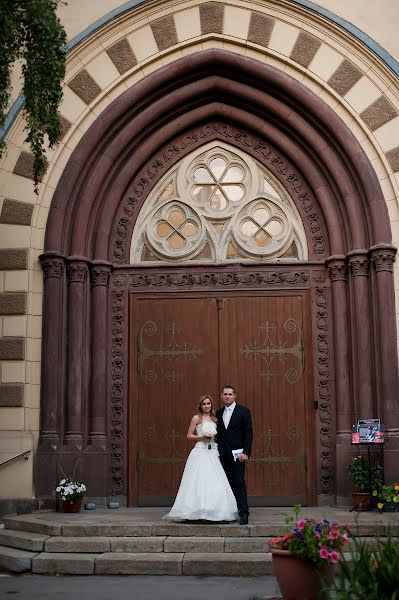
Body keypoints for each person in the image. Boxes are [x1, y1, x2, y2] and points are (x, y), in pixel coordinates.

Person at [162, 395, 238, 522]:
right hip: (200, 452)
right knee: (197, 481)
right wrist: (201, 437)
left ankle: (214, 511)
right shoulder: (196, 418)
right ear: (200, 406)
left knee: (214, 482)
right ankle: (194, 512)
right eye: (204, 404)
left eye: (208, 403)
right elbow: (189, 435)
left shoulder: (215, 419)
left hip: (212, 452)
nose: (206, 406)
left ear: (211, 405)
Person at [216, 385, 253, 525]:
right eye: (225, 394)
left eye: (230, 394)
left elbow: (249, 433)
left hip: (238, 454)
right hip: (222, 455)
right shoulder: (218, 413)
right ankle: (226, 513)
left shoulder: (243, 411)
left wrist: (246, 452)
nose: (227, 396)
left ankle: (243, 513)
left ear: (234, 396)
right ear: (222, 396)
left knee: (239, 483)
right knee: (224, 484)